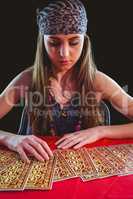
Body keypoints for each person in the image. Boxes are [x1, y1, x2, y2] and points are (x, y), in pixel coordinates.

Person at [0, 0, 133, 163]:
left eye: (74, 42)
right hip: (36, 167)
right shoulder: (28, 79)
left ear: (84, 40)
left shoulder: (97, 81)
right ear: (43, 41)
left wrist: (101, 131)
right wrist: (10, 138)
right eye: (54, 43)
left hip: (85, 172)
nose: (64, 53)